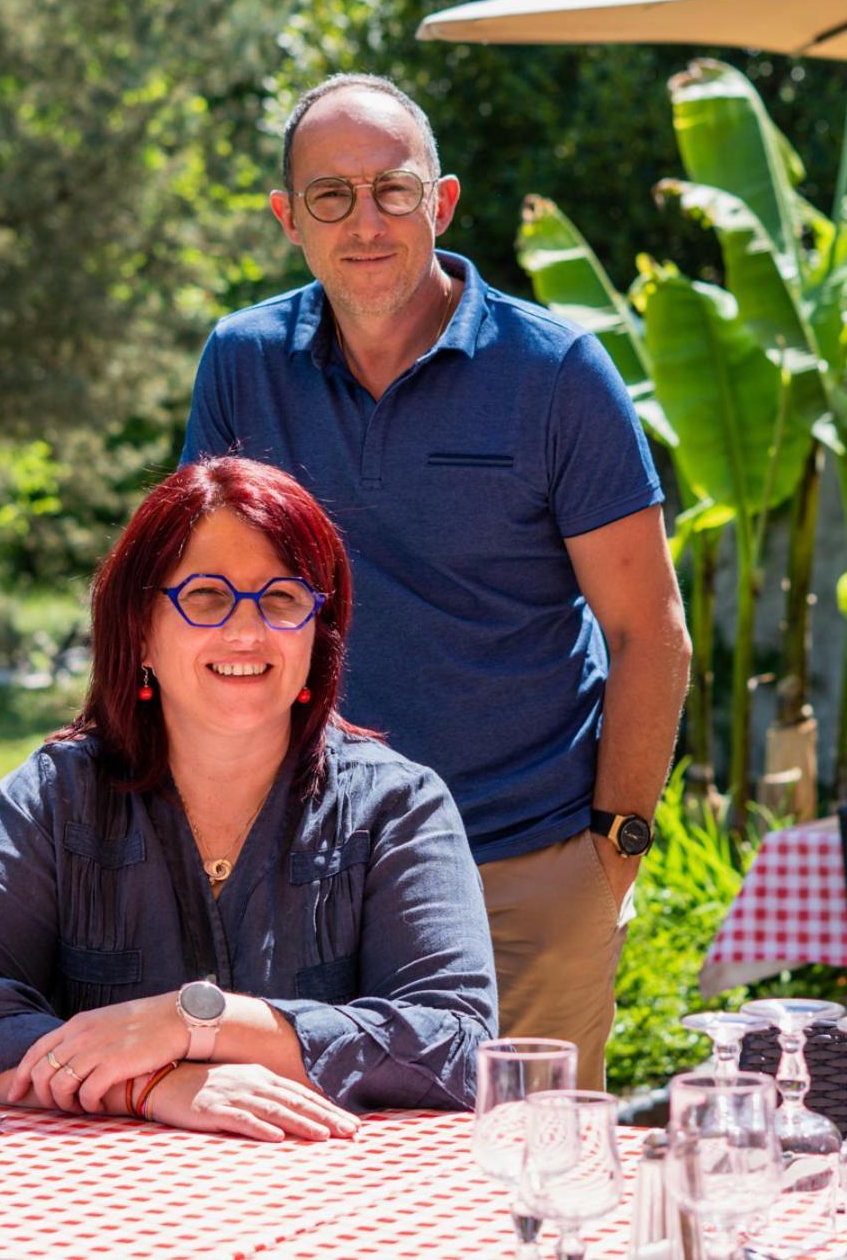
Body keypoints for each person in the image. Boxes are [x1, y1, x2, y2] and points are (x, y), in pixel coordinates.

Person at [182, 73, 692, 1089]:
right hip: (301, 868)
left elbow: (650, 634)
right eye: (331, 196)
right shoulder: (243, 365)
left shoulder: (556, 374)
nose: (364, 221)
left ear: (442, 201)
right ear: (289, 219)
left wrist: (612, 857)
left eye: (393, 190)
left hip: (524, 868)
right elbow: (200, 609)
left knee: (523, 1187)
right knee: (301, 1182)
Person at [0, 457, 497, 1139]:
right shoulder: (56, 796)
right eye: (206, 597)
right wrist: (154, 1085)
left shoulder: (398, 807)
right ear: (140, 633)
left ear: (319, 633)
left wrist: (196, 1021)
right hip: (85, 1215)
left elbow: (459, 1048)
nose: (247, 631)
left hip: (337, 1212)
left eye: (282, 598)